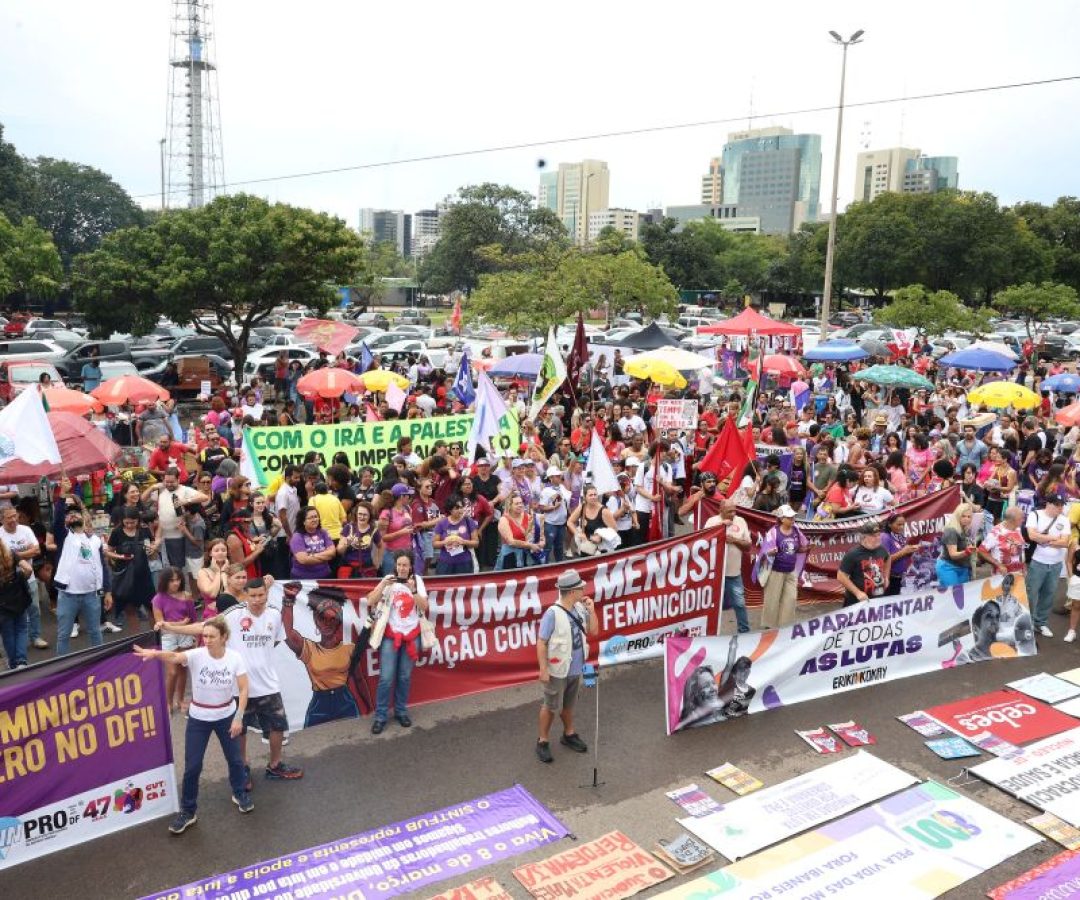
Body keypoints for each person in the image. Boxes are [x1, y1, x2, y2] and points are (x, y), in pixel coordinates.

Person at [160, 578, 303, 783]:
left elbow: (276, 640)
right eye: (252, 596)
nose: (257, 599)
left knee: (278, 727)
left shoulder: (274, 614)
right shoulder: (233, 615)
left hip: (268, 685)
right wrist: (170, 628)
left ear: (267, 594)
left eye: (261, 595)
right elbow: (203, 627)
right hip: (238, 687)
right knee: (240, 730)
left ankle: (275, 765)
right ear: (245, 595)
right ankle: (242, 767)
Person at [135, 615, 252, 834]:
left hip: (226, 716)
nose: (206, 640)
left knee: (235, 760)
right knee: (192, 767)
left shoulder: (235, 658)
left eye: (211, 636)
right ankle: (188, 811)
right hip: (199, 719)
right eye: (204, 636)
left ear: (224, 637)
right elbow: (175, 656)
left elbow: (244, 689)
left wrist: (238, 717)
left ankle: (239, 793)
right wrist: (155, 654)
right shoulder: (196, 655)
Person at [536, 568, 598, 763]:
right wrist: (543, 669)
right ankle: (543, 740)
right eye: (580, 588)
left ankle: (569, 734)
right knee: (551, 705)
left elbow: (593, 631)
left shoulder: (580, 608)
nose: (583, 590)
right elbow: (541, 642)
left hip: (575, 667)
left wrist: (592, 610)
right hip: (557, 669)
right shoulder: (552, 614)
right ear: (572, 592)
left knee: (569, 704)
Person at [281, 583, 366, 727]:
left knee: (353, 736)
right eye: (322, 618)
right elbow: (287, 634)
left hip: (346, 702)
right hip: (319, 705)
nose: (327, 623)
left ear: (339, 621)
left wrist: (369, 707)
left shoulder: (350, 649)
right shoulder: (309, 649)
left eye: (332, 618)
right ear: (315, 620)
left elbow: (359, 680)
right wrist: (288, 601)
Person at [366, 552, 429, 734]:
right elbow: (370, 600)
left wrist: (413, 590)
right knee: (386, 678)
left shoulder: (416, 580)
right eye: (399, 564)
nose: (402, 568)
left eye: (405, 565)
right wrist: (384, 585)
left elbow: (424, 607)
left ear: (411, 567)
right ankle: (380, 716)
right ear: (395, 565)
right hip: (391, 635)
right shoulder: (388, 579)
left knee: (404, 677)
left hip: (412, 635)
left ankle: (401, 711)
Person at [53, 507, 106, 655]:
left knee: (95, 631)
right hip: (68, 595)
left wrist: (106, 591)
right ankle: (62, 669)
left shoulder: (95, 540)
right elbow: (57, 521)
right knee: (63, 634)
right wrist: (63, 495)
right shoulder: (65, 536)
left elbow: (102, 566)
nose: (73, 516)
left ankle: (100, 663)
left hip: (91, 594)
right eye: (69, 514)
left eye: (77, 514)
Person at [152, 567, 197, 713]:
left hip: (185, 634)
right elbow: (160, 624)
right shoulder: (158, 599)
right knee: (172, 672)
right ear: (165, 581)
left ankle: (181, 699)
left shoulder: (187, 596)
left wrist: (192, 632)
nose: (176, 583)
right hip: (168, 636)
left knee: (183, 669)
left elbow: (193, 619)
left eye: (178, 579)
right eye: (172, 580)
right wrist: (180, 624)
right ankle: (168, 702)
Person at [1026, 493, 1071, 637]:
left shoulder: (1064, 519)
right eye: (1057, 505)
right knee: (1031, 594)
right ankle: (1028, 623)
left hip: (1056, 564)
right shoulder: (1035, 515)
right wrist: (1053, 538)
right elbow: (1032, 536)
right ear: (1048, 504)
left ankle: (1041, 623)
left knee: (1049, 595)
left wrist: (1043, 539)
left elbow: (1065, 542)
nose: (1060, 508)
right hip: (1037, 562)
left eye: (1062, 505)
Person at [756, 505, 807, 629]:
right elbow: (763, 552)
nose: (792, 519)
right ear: (782, 519)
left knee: (790, 600)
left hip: (790, 571)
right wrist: (770, 552)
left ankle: (785, 627)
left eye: (793, 516)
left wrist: (806, 548)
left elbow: (799, 548)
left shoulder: (796, 531)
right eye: (789, 517)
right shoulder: (773, 532)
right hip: (775, 571)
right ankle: (769, 627)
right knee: (772, 600)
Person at [936, 503, 1000, 587]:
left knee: (963, 596)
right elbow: (953, 555)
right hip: (948, 568)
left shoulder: (965, 528)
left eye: (969, 517)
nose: (966, 519)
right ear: (958, 515)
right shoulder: (951, 530)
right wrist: (967, 552)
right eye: (963, 516)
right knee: (951, 596)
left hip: (963, 567)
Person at [714, 499, 751, 633]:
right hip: (714, 575)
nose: (733, 514)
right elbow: (702, 544)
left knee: (740, 604)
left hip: (733, 574)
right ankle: (708, 634)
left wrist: (734, 540)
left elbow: (748, 546)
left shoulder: (741, 521)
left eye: (734, 510)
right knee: (711, 607)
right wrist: (720, 527)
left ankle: (744, 632)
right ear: (721, 510)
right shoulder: (712, 522)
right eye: (729, 511)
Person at [837, 523, 891, 606]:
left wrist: (886, 577)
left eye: (878, 535)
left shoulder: (881, 549)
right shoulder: (853, 554)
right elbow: (841, 576)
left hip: (878, 598)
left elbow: (888, 558)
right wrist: (858, 593)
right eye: (873, 536)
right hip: (857, 601)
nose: (877, 538)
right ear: (864, 537)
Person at [0, 539, 33, 669]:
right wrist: (22, 578)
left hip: (2, 604)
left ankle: (13, 664)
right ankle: (21, 661)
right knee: (21, 629)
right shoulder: (11, 554)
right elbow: (28, 569)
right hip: (18, 599)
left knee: (8, 633)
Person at [336, 501, 383, 578]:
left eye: (365, 515)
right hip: (348, 569)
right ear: (356, 514)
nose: (362, 517)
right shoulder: (348, 528)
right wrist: (346, 543)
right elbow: (339, 551)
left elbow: (380, 546)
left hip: (366, 570)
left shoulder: (373, 530)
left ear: (370, 516)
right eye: (360, 514)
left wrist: (378, 561)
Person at [432, 499, 479, 575]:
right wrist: (445, 542)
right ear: (450, 510)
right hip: (445, 563)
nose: (460, 510)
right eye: (457, 508)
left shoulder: (469, 521)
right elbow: (434, 544)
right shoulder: (442, 523)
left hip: (464, 563)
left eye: (461, 507)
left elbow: (476, 543)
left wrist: (464, 542)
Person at [289, 506, 336, 580]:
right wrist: (325, 557)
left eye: (316, 517)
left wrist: (311, 555)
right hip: (303, 578)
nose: (314, 519)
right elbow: (303, 560)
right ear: (303, 521)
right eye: (310, 518)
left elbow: (332, 553)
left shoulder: (323, 532)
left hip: (325, 576)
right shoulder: (297, 537)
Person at [954, 601, 1002, 665]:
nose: (995, 621)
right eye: (989, 616)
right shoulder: (965, 658)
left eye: (997, 616)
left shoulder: (1008, 652)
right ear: (976, 628)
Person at [880, 515, 917, 596]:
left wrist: (910, 551)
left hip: (899, 577)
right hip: (889, 578)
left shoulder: (900, 537)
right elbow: (884, 560)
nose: (901, 527)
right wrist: (903, 552)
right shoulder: (885, 537)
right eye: (899, 524)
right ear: (889, 524)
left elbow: (903, 556)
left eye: (903, 524)